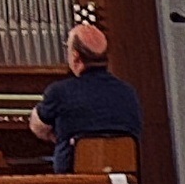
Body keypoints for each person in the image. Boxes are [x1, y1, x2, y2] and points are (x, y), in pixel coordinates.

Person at [32, 17, 146, 173]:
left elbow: (37, 128)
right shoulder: (128, 92)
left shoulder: (60, 92)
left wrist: (59, 136)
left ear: (75, 56)